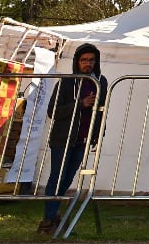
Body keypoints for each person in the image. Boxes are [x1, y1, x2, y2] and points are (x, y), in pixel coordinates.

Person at [38, 43, 107, 235]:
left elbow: (101, 111)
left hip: (83, 139)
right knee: (57, 178)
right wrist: (80, 104)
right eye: (84, 60)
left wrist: (98, 134)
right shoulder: (66, 83)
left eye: (91, 60)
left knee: (67, 179)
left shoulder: (101, 81)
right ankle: (49, 220)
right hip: (63, 138)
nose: (88, 64)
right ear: (77, 62)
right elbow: (54, 111)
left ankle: (54, 217)